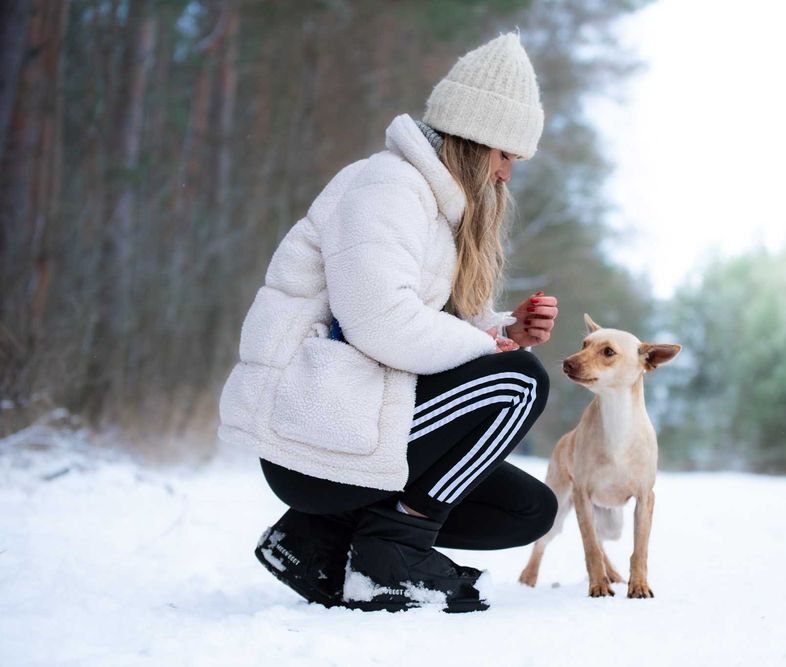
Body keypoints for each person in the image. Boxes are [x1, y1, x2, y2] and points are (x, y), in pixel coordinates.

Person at [218, 31, 559, 613]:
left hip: (354, 424)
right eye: (506, 156)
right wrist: (491, 348)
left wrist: (502, 330)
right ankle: (390, 561)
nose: (506, 176)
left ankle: (311, 541)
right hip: (313, 431)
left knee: (528, 510)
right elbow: (381, 323)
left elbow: (422, 321)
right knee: (520, 381)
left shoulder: (431, 205)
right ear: (477, 141)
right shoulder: (387, 186)